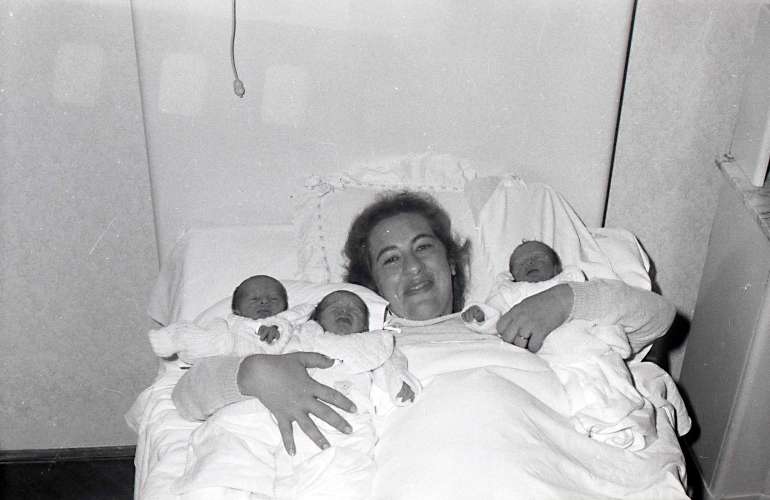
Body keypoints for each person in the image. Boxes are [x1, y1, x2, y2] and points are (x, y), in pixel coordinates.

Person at [172, 190, 675, 460]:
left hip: (545, 457)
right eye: (391, 259)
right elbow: (183, 397)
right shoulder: (356, 345)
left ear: (452, 262)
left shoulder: (511, 318)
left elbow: (658, 320)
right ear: (372, 283)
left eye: (424, 248)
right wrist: (253, 373)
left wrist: (564, 300)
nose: (412, 267)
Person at [170, 289, 420, 499]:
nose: (345, 310)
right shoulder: (286, 335)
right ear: (315, 318)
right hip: (262, 415)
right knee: (228, 447)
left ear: (365, 326)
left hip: (333, 429)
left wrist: (400, 384)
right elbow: (209, 375)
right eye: (334, 306)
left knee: (341, 472)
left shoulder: (373, 346)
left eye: (355, 309)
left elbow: (394, 368)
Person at [460, 240, 656, 450]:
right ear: (513, 276)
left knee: (613, 386)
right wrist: (481, 316)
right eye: (521, 263)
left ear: (556, 268)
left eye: (538, 258)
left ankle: (622, 428)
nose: (530, 262)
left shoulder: (573, 285)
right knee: (561, 401)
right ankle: (577, 436)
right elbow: (496, 318)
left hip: (590, 348)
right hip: (547, 361)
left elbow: (603, 314)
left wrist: (612, 340)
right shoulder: (511, 293)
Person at [149, 275, 312, 361]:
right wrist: (257, 328)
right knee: (216, 332)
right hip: (234, 352)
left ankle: (183, 344)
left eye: (274, 299)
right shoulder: (234, 321)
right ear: (237, 309)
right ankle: (174, 338)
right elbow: (229, 332)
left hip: (269, 360)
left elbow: (307, 310)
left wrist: (277, 326)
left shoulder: (287, 317)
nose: (264, 301)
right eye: (254, 299)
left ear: (285, 305)